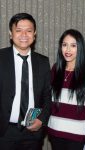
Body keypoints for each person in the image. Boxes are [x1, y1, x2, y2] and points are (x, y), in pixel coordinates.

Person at [0, 13, 51, 150]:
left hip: (33, 132)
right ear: (11, 34)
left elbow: (48, 96)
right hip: (4, 132)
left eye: (28, 31)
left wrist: (42, 119)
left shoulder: (43, 62)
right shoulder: (1, 58)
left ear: (34, 34)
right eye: (18, 30)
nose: (24, 34)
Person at [47, 29, 85, 150]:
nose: (68, 50)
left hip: (77, 134)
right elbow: (49, 99)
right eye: (64, 45)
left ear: (80, 48)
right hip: (55, 131)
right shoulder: (56, 69)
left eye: (73, 45)